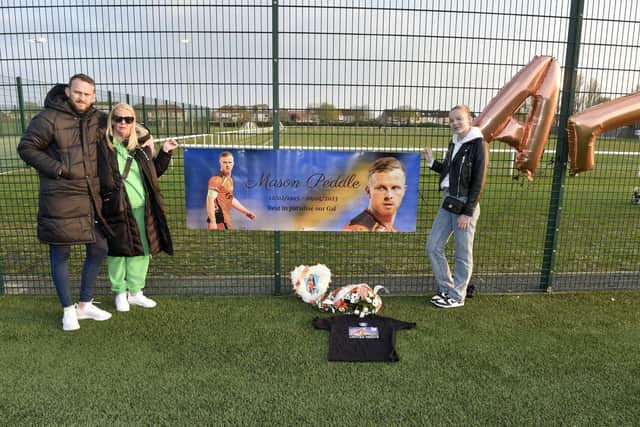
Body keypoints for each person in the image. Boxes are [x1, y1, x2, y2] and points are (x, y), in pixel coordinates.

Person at [17, 74, 113, 331]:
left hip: (89, 198)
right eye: (78, 92)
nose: (82, 98)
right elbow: (26, 147)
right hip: (60, 198)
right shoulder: (48, 118)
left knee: (99, 248)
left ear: (93, 96)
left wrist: (143, 133)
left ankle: (84, 305)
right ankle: (68, 310)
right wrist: (58, 170)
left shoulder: (95, 118)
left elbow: (121, 124)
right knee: (61, 253)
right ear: (69, 91)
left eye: (87, 94)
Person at [97, 103, 177, 312]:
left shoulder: (140, 148)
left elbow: (153, 174)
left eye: (128, 119)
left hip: (144, 208)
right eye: (118, 118)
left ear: (134, 122)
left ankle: (136, 292)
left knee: (142, 250)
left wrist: (165, 152)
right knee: (118, 251)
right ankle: (120, 293)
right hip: (116, 208)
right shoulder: (103, 146)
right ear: (111, 120)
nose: (122, 123)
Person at [423, 104, 488, 308]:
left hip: (465, 204)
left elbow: (479, 180)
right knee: (433, 246)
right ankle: (446, 289)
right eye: (451, 120)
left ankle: (457, 296)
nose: (454, 123)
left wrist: (468, 212)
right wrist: (433, 162)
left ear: (469, 119)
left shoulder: (478, 144)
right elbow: (450, 172)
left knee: (462, 253)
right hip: (447, 200)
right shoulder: (455, 141)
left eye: (458, 119)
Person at [342, 157, 407, 232]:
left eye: (395, 188)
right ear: (368, 191)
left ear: (404, 190)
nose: (389, 196)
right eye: (381, 188)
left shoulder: (390, 230)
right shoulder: (357, 229)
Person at [206, 151, 256, 229]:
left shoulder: (229, 179)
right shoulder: (216, 179)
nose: (228, 165)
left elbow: (230, 199)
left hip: (226, 219)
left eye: (230, 162)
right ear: (220, 163)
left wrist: (246, 212)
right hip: (219, 220)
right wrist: (213, 221)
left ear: (233, 163)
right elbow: (210, 200)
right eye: (225, 162)